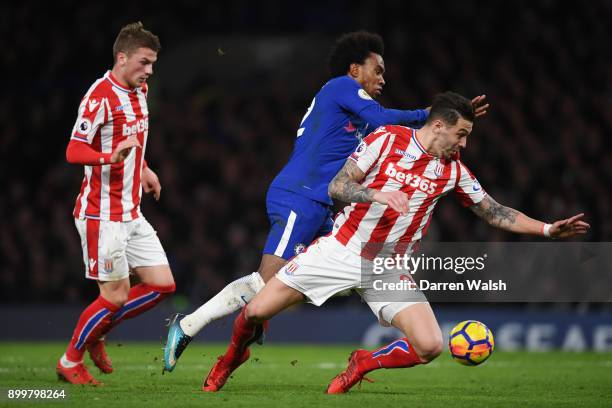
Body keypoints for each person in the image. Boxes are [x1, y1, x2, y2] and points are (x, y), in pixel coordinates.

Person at [200, 91, 589, 393]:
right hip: (341, 250)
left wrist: (547, 230)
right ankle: (231, 358)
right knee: (254, 313)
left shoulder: (453, 171)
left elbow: (492, 210)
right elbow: (339, 184)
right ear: (438, 126)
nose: (464, 144)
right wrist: (376, 195)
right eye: (462, 134)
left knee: (430, 346)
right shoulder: (386, 141)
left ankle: (364, 363)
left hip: (389, 267)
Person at [164, 31, 489, 372]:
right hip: (301, 195)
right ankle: (188, 326)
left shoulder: (356, 116)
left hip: (323, 203)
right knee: (266, 281)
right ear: (354, 70)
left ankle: (261, 321)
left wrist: (448, 122)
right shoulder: (340, 87)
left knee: (337, 263)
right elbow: (383, 118)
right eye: (376, 70)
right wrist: (430, 113)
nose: (382, 78)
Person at [57, 22, 176, 385]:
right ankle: (70, 360)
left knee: (162, 285)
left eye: (153, 63)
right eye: (144, 62)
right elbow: (74, 150)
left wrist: (143, 169)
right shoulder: (100, 96)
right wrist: (110, 157)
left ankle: (97, 331)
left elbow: (132, 140)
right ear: (122, 58)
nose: (149, 71)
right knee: (115, 295)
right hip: (101, 214)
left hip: (130, 211)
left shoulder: (139, 90)